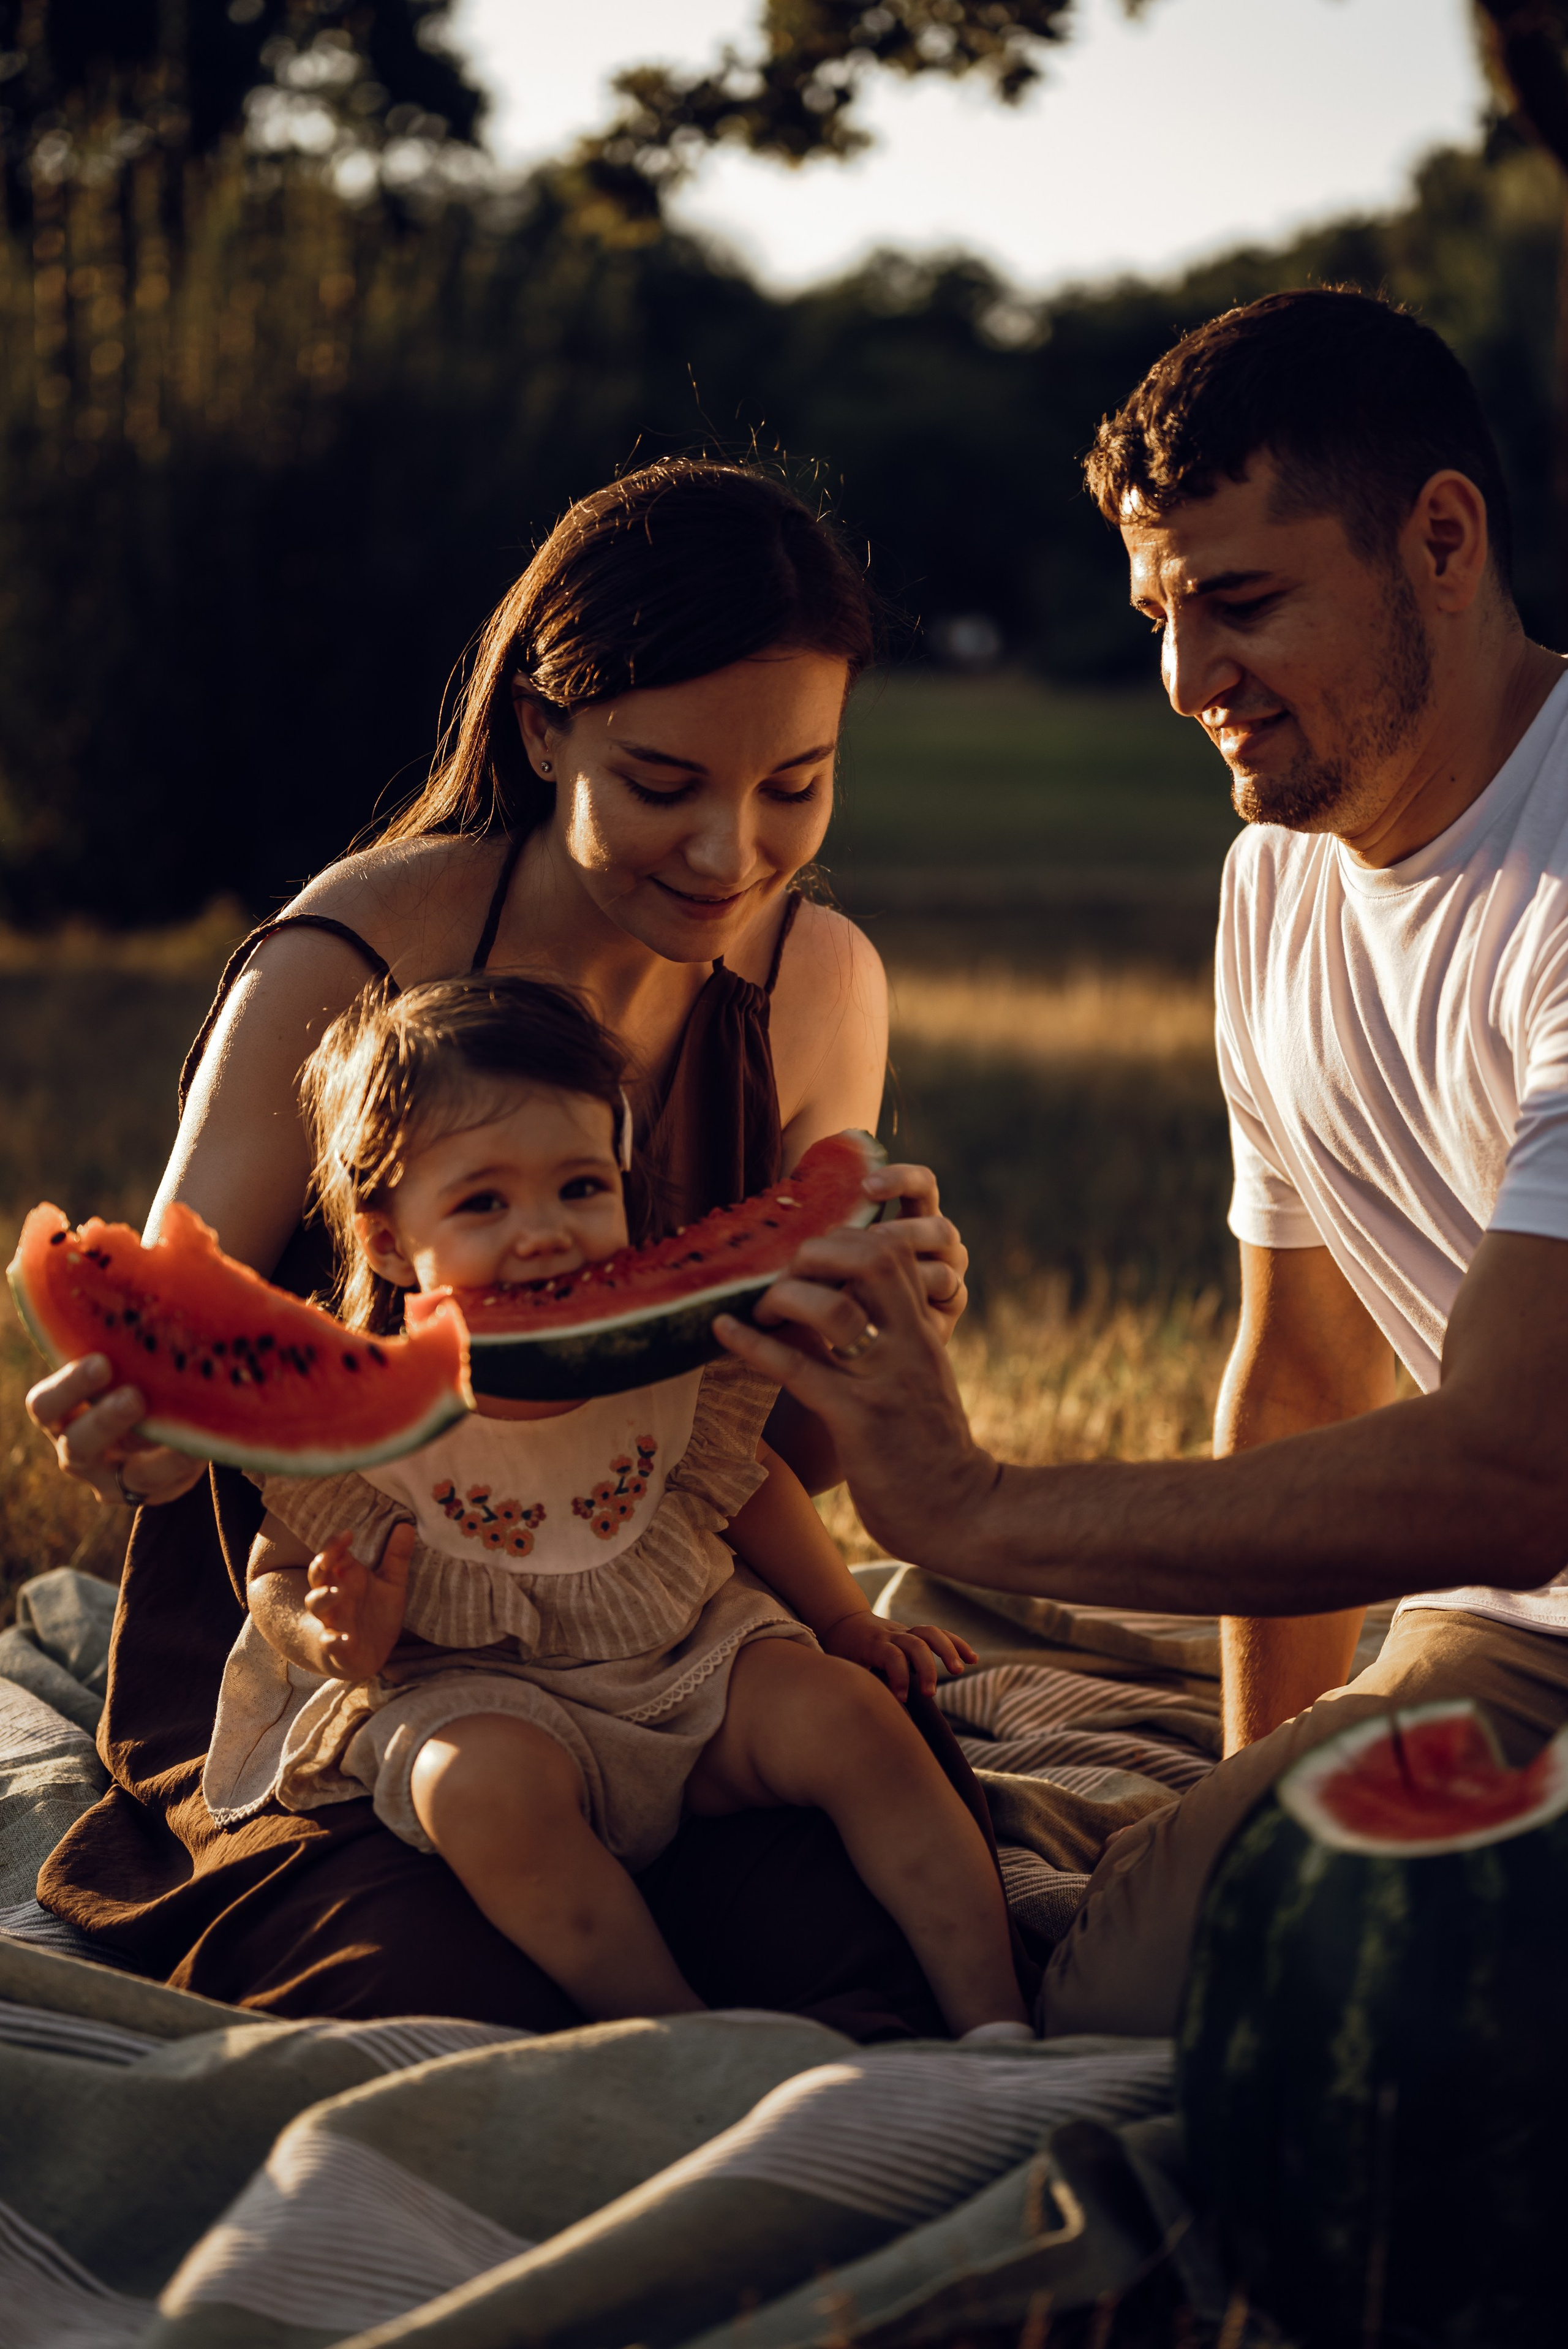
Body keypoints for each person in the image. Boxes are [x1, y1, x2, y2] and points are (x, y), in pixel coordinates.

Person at [716, 289, 1568, 2034]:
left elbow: (1520, 1463)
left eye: (1244, 604)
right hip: (1514, 1637)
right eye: (1162, 617)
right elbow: (1312, 1366)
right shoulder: (1278, 883)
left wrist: (967, 1501)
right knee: (1141, 1976)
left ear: (1444, 541)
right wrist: (1254, 1789)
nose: (1189, 685)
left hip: (1517, 1551)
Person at [26, 458, 971, 2030]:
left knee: (862, 1937)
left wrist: (887, 1322)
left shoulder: (817, 980)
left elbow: (773, 1430)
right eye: (662, 783)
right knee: (437, 1994)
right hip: (368, 1651)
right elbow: (180, 1333)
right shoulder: (357, 946)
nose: (730, 852)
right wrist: (145, 1434)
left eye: (793, 786)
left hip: (671, 1618)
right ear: (543, 730)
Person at [212, 970, 1028, 2037]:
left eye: (581, 1188)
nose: (545, 1232)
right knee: (481, 1793)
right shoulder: (357, 1422)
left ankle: (1002, 2019)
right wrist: (330, 1639)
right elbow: (276, 1570)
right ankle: (680, 2035)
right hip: (476, 1696)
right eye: (485, 1202)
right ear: (387, 1241)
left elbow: (749, 1487)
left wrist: (841, 1622)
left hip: (690, 1661)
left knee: (858, 1721)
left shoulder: (665, 1364)